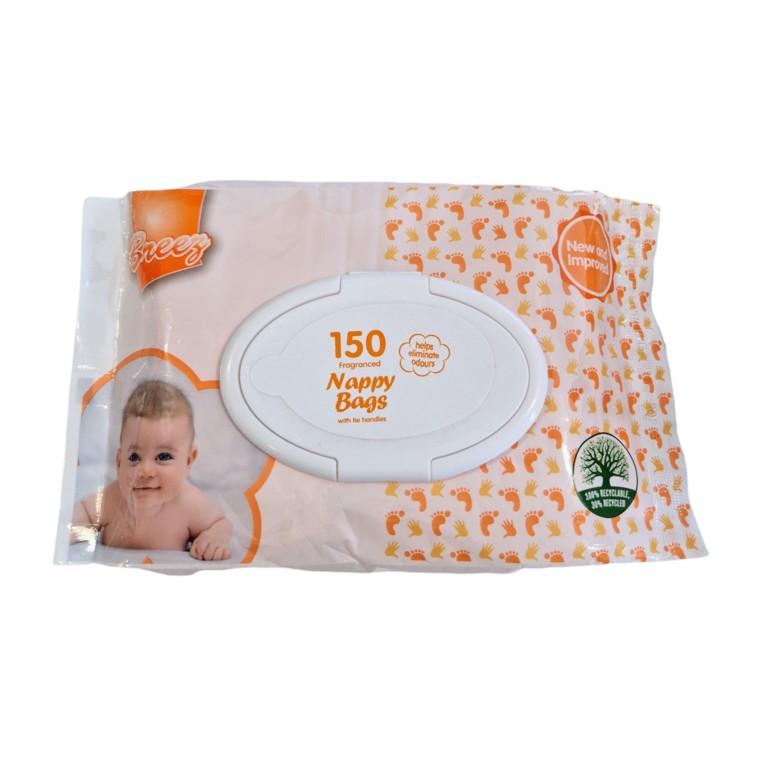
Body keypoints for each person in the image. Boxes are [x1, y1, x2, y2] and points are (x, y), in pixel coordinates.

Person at [71, 380, 231, 560]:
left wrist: (214, 538)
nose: (146, 471)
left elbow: (220, 523)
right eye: (134, 457)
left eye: (163, 456)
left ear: (188, 461)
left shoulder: (189, 503)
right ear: (119, 461)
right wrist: (69, 530)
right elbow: (81, 514)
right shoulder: (113, 499)